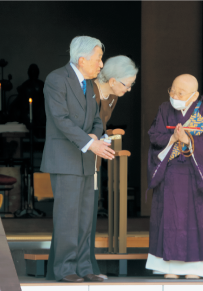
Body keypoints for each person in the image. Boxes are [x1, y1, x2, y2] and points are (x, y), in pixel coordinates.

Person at [41, 36, 115, 283]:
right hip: (65, 159)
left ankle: (84, 267)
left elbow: (96, 118)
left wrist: (94, 135)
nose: (101, 64)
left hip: (85, 159)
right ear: (82, 59)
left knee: (85, 216)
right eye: (98, 59)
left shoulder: (91, 85)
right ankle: (65, 269)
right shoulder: (56, 79)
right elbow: (60, 119)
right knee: (68, 216)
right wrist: (90, 143)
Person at [145, 74, 203, 279]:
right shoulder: (164, 108)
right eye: (172, 90)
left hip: (194, 175)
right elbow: (154, 135)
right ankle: (169, 268)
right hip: (169, 174)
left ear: (195, 95)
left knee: (195, 219)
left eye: (180, 92)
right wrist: (172, 138)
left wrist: (189, 140)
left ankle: (193, 269)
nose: (174, 95)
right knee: (168, 218)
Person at [89, 55, 138, 276]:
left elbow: (102, 125)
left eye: (132, 84)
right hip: (83, 153)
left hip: (97, 155)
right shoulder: (89, 91)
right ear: (112, 80)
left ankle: (88, 265)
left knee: (90, 211)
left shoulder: (112, 96)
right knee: (83, 214)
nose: (129, 89)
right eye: (127, 84)